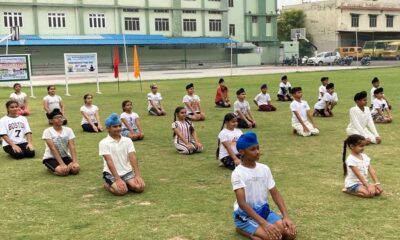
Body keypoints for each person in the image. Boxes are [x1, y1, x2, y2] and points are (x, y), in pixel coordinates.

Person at [232, 132, 297, 240]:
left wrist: (286, 216)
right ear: (241, 152)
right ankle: (242, 229)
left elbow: (275, 193)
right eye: (252, 149)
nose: (257, 152)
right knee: (274, 238)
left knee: (290, 234)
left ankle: (260, 228)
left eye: (258, 148)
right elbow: (242, 203)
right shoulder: (237, 173)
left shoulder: (264, 169)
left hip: (264, 212)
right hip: (245, 216)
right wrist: (265, 224)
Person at [99, 113, 145, 196]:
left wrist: (137, 175)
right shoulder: (103, 143)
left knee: (140, 187)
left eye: (120, 126)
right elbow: (109, 161)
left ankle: (126, 183)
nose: (118, 128)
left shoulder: (128, 140)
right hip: (111, 173)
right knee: (121, 191)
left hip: (126, 171)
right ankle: (107, 185)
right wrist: (117, 179)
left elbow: (133, 157)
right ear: (108, 128)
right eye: (115, 126)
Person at [42, 109, 80, 176]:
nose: (59, 119)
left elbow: (72, 146)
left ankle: (66, 166)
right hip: (51, 158)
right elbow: (52, 148)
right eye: (56, 118)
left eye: (61, 117)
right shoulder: (47, 131)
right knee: (62, 172)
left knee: (76, 169)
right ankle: (51, 168)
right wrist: (62, 164)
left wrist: (74, 162)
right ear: (51, 120)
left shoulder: (68, 130)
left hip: (65, 156)